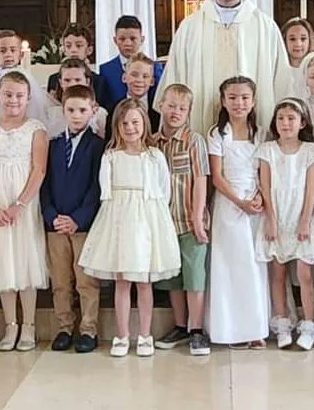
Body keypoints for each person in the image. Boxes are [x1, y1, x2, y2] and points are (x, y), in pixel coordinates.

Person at [78, 99, 180, 358]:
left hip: (147, 221)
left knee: (144, 282)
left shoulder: (154, 156)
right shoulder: (111, 156)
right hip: (119, 221)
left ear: (144, 124)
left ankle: (145, 334)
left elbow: (163, 192)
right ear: (117, 127)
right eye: (124, 123)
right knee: (122, 281)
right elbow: (106, 193)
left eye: (135, 122)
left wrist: (156, 221)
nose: (130, 128)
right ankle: (122, 335)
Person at [158, 0, 292, 133]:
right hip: (201, 126)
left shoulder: (264, 26)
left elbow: (281, 81)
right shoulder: (190, 27)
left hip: (253, 131)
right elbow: (174, 79)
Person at [0, 71, 48, 352]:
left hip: (24, 203)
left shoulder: (36, 129)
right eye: (8, 94)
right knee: (3, 260)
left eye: (19, 95)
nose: (13, 100)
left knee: (25, 259)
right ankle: (10, 325)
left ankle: (28, 325)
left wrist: (20, 204)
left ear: (28, 97)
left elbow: (39, 169)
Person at [40, 84, 104, 354]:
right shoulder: (53, 145)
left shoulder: (98, 146)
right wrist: (52, 215)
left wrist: (77, 218)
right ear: (63, 111)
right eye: (71, 110)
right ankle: (64, 327)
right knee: (61, 281)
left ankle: (88, 329)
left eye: (82, 110)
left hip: (83, 226)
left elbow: (97, 187)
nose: (76, 115)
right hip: (55, 225)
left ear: (93, 111)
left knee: (85, 281)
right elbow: (44, 183)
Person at [257, 98, 314, 351]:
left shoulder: (310, 151)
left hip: (301, 217)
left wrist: (305, 221)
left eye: (291, 118)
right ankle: (283, 324)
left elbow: (311, 189)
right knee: (278, 273)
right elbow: (265, 187)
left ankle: (308, 325)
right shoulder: (267, 150)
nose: (286, 123)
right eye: (281, 118)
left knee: (305, 274)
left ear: (302, 122)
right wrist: (271, 220)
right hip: (276, 215)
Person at [207, 76, 269, 348]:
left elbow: (264, 170)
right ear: (223, 101)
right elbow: (217, 177)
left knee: (254, 266)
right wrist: (239, 201)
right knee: (230, 266)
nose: (238, 103)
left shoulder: (262, 132)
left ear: (253, 100)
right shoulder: (217, 134)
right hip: (228, 202)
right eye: (232, 97)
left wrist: (258, 197)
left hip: (256, 202)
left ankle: (255, 328)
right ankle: (230, 329)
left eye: (244, 97)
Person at [153, 84, 212, 356]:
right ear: (161, 105)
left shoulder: (194, 141)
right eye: (171, 106)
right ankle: (179, 324)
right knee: (172, 278)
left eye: (182, 108)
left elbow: (201, 179)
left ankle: (196, 329)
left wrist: (198, 217)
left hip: (189, 221)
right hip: (163, 222)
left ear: (189, 112)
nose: (175, 112)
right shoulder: (152, 143)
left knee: (194, 275)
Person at [0, 29, 49, 124]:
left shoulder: (27, 78)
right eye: (3, 51)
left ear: (21, 54)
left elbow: (36, 106)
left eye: (13, 50)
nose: (8, 54)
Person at [99, 15, 162, 111]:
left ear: (142, 39)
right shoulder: (106, 69)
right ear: (115, 40)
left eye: (133, 39)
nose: (128, 43)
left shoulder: (155, 67)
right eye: (122, 39)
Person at [45, 57, 108, 139]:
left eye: (77, 80)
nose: (72, 84)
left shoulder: (99, 113)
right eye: (67, 80)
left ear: (87, 81)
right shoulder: (51, 113)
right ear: (61, 82)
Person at [46, 24, 107, 106]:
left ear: (89, 50)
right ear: (63, 49)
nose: (73, 50)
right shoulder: (54, 79)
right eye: (68, 46)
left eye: (79, 46)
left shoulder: (99, 81)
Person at [281, 17, 314, 86]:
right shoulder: (278, 70)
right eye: (292, 39)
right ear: (284, 41)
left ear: (310, 41)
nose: (298, 44)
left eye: (303, 39)